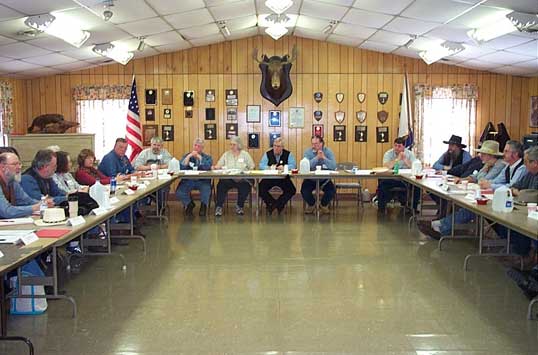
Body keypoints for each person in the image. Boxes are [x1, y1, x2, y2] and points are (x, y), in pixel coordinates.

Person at [428, 140, 507, 238]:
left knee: (470, 210)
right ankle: (439, 225)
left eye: (483, 154)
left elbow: (484, 181)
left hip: (493, 199)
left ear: (490, 155)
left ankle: (439, 226)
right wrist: (462, 180)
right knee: (467, 209)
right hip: (481, 195)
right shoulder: (487, 164)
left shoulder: (499, 165)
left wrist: (478, 180)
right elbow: (475, 177)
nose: (480, 156)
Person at [494, 146, 538, 267]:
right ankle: (521, 253)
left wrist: (521, 193)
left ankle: (528, 257)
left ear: (535, 163)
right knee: (507, 221)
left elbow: (533, 196)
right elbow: (515, 187)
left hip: (533, 213)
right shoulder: (529, 173)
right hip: (525, 210)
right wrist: (522, 193)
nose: (524, 165)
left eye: (527, 162)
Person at [0, 152, 52, 218]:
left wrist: (44, 203)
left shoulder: (12, 181)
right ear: (3, 167)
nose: (19, 167)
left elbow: (26, 201)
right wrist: (35, 207)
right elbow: (6, 211)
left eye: (19, 164)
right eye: (15, 164)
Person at [213, 136, 255, 216]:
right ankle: (219, 207)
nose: (232, 146)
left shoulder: (245, 154)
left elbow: (252, 166)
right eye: (231, 144)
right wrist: (216, 167)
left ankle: (239, 206)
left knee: (246, 185)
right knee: (221, 185)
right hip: (229, 178)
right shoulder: (226, 155)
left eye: (234, 145)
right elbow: (219, 165)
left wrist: (245, 172)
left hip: (242, 178)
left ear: (239, 145)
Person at [376, 137, 418, 213]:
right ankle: (381, 207)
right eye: (395, 145)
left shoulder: (409, 154)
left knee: (417, 186)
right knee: (382, 183)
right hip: (392, 179)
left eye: (399, 146)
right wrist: (397, 160)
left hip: (406, 179)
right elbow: (385, 166)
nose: (397, 148)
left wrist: (405, 160)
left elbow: (415, 167)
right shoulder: (389, 153)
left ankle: (413, 208)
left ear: (404, 147)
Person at [259, 137, 297, 215]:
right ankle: (272, 203)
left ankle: (279, 204)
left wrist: (285, 167)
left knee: (292, 190)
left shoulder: (288, 154)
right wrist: (269, 168)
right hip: (269, 178)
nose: (276, 148)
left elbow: (293, 165)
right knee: (259, 189)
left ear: (282, 147)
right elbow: (261, 165)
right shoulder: (267, 154)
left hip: (283, 178)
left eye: (278, 146)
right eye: (274, 146)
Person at [176, 138, 213, 217]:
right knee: (179, 192)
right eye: (195, 145)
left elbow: (208, 167)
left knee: (206, 190)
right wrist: (188, 157)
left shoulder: (207, 157)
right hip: (189, 180)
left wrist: (200, 158)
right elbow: (181, 167)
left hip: (202, 180)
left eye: (199, 146)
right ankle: (189, 204)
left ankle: (203, 206)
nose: (196, 148)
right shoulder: (187, 156)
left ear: (202, 148)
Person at [300, 135, 336, 215]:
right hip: (310, 179)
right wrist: (316, 158)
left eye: (316, 144)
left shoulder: (328, 151)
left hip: (324, 180)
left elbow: (333, 166)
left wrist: (324, 158)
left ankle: (323, 205)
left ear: (321, 143)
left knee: (331, 190)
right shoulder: (308, 152)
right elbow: (306, 166)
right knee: (304, 191)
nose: (314, 146)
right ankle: (312, 205)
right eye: (312, 144)